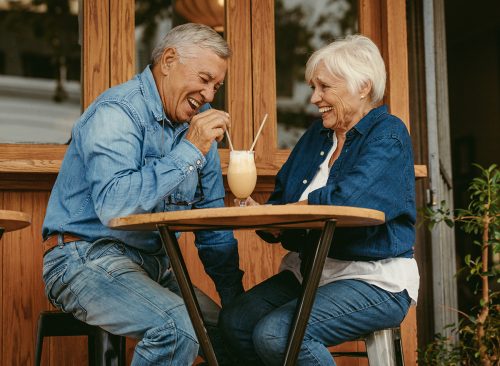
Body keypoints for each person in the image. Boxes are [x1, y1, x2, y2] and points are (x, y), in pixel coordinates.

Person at [41, 23, 244, 365]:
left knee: (234, 336)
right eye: (204, 79)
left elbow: (212, 223)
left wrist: (237, 304)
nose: (210, 95)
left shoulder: (200, 122)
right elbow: (115, 207)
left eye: (217, 86)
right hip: (81, 258)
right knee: (178, 327)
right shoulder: (117, 112)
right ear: (168, 60)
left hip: (155, 267)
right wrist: (190, 148)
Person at [219, 34, 419, 365]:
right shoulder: (317, 136)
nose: (314, 98)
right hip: (310, 272)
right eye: (313, 87)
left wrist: (284, 213)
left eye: (324, 87)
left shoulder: (388, 134)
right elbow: (283, 198)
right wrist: (270, 220)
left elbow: (345, 201)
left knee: (276, 334)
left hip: (373, 278)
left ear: (363, 86)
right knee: (236, 323)